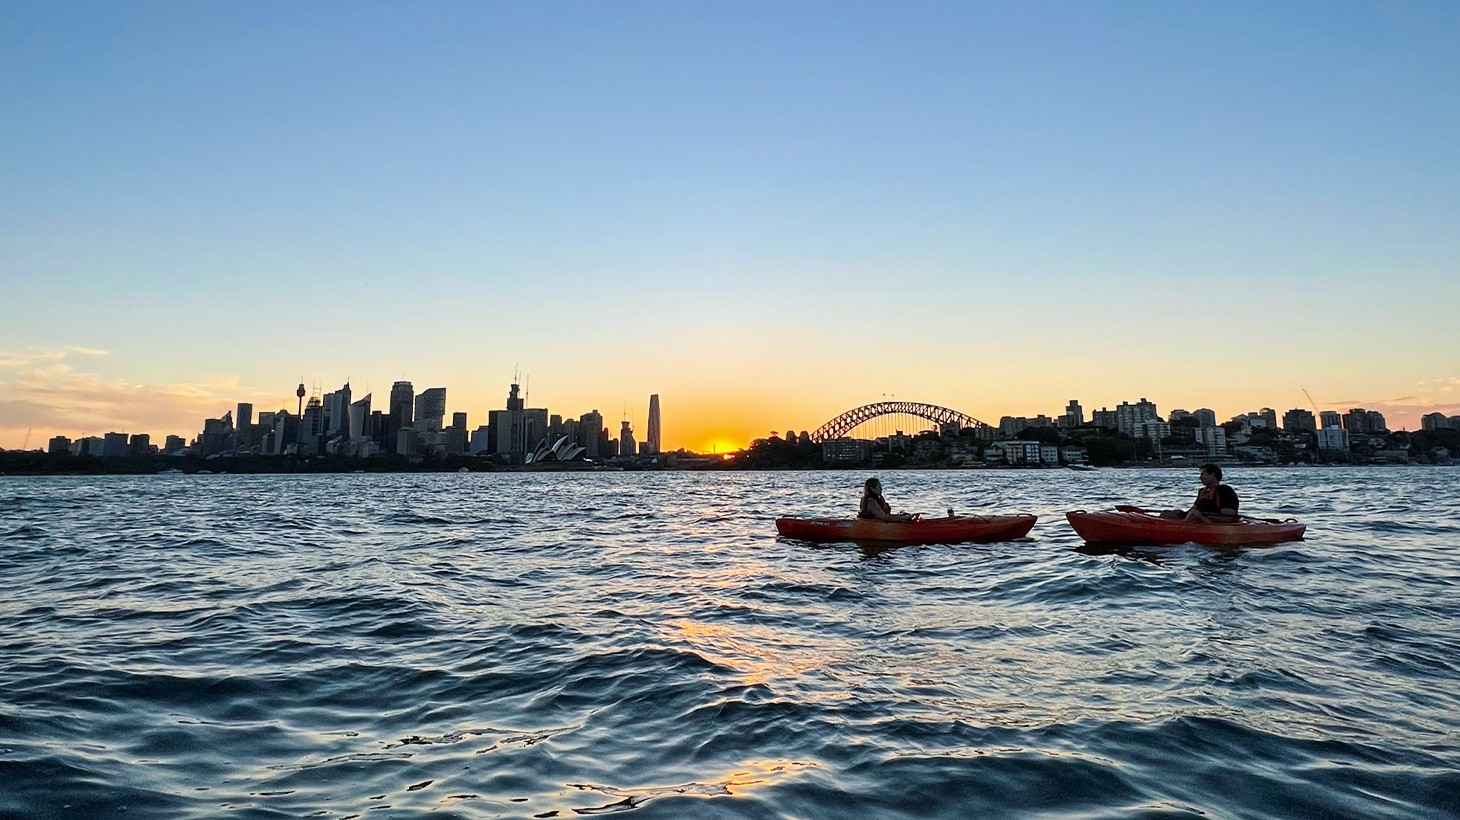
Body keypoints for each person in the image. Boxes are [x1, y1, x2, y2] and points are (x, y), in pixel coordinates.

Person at [1166, 463, 1239, 523]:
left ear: (1212, 475)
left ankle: (1180, 530)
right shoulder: (1202, 492)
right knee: (1166, 513)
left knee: (1194, 513)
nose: (1200, 478)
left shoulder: (1225, 491)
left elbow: (1228, 516)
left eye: (1203, 474)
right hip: (1201, 518)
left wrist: (1199, 515)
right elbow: (1192, 510)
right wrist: (1181, 513)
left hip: (1216, 525)